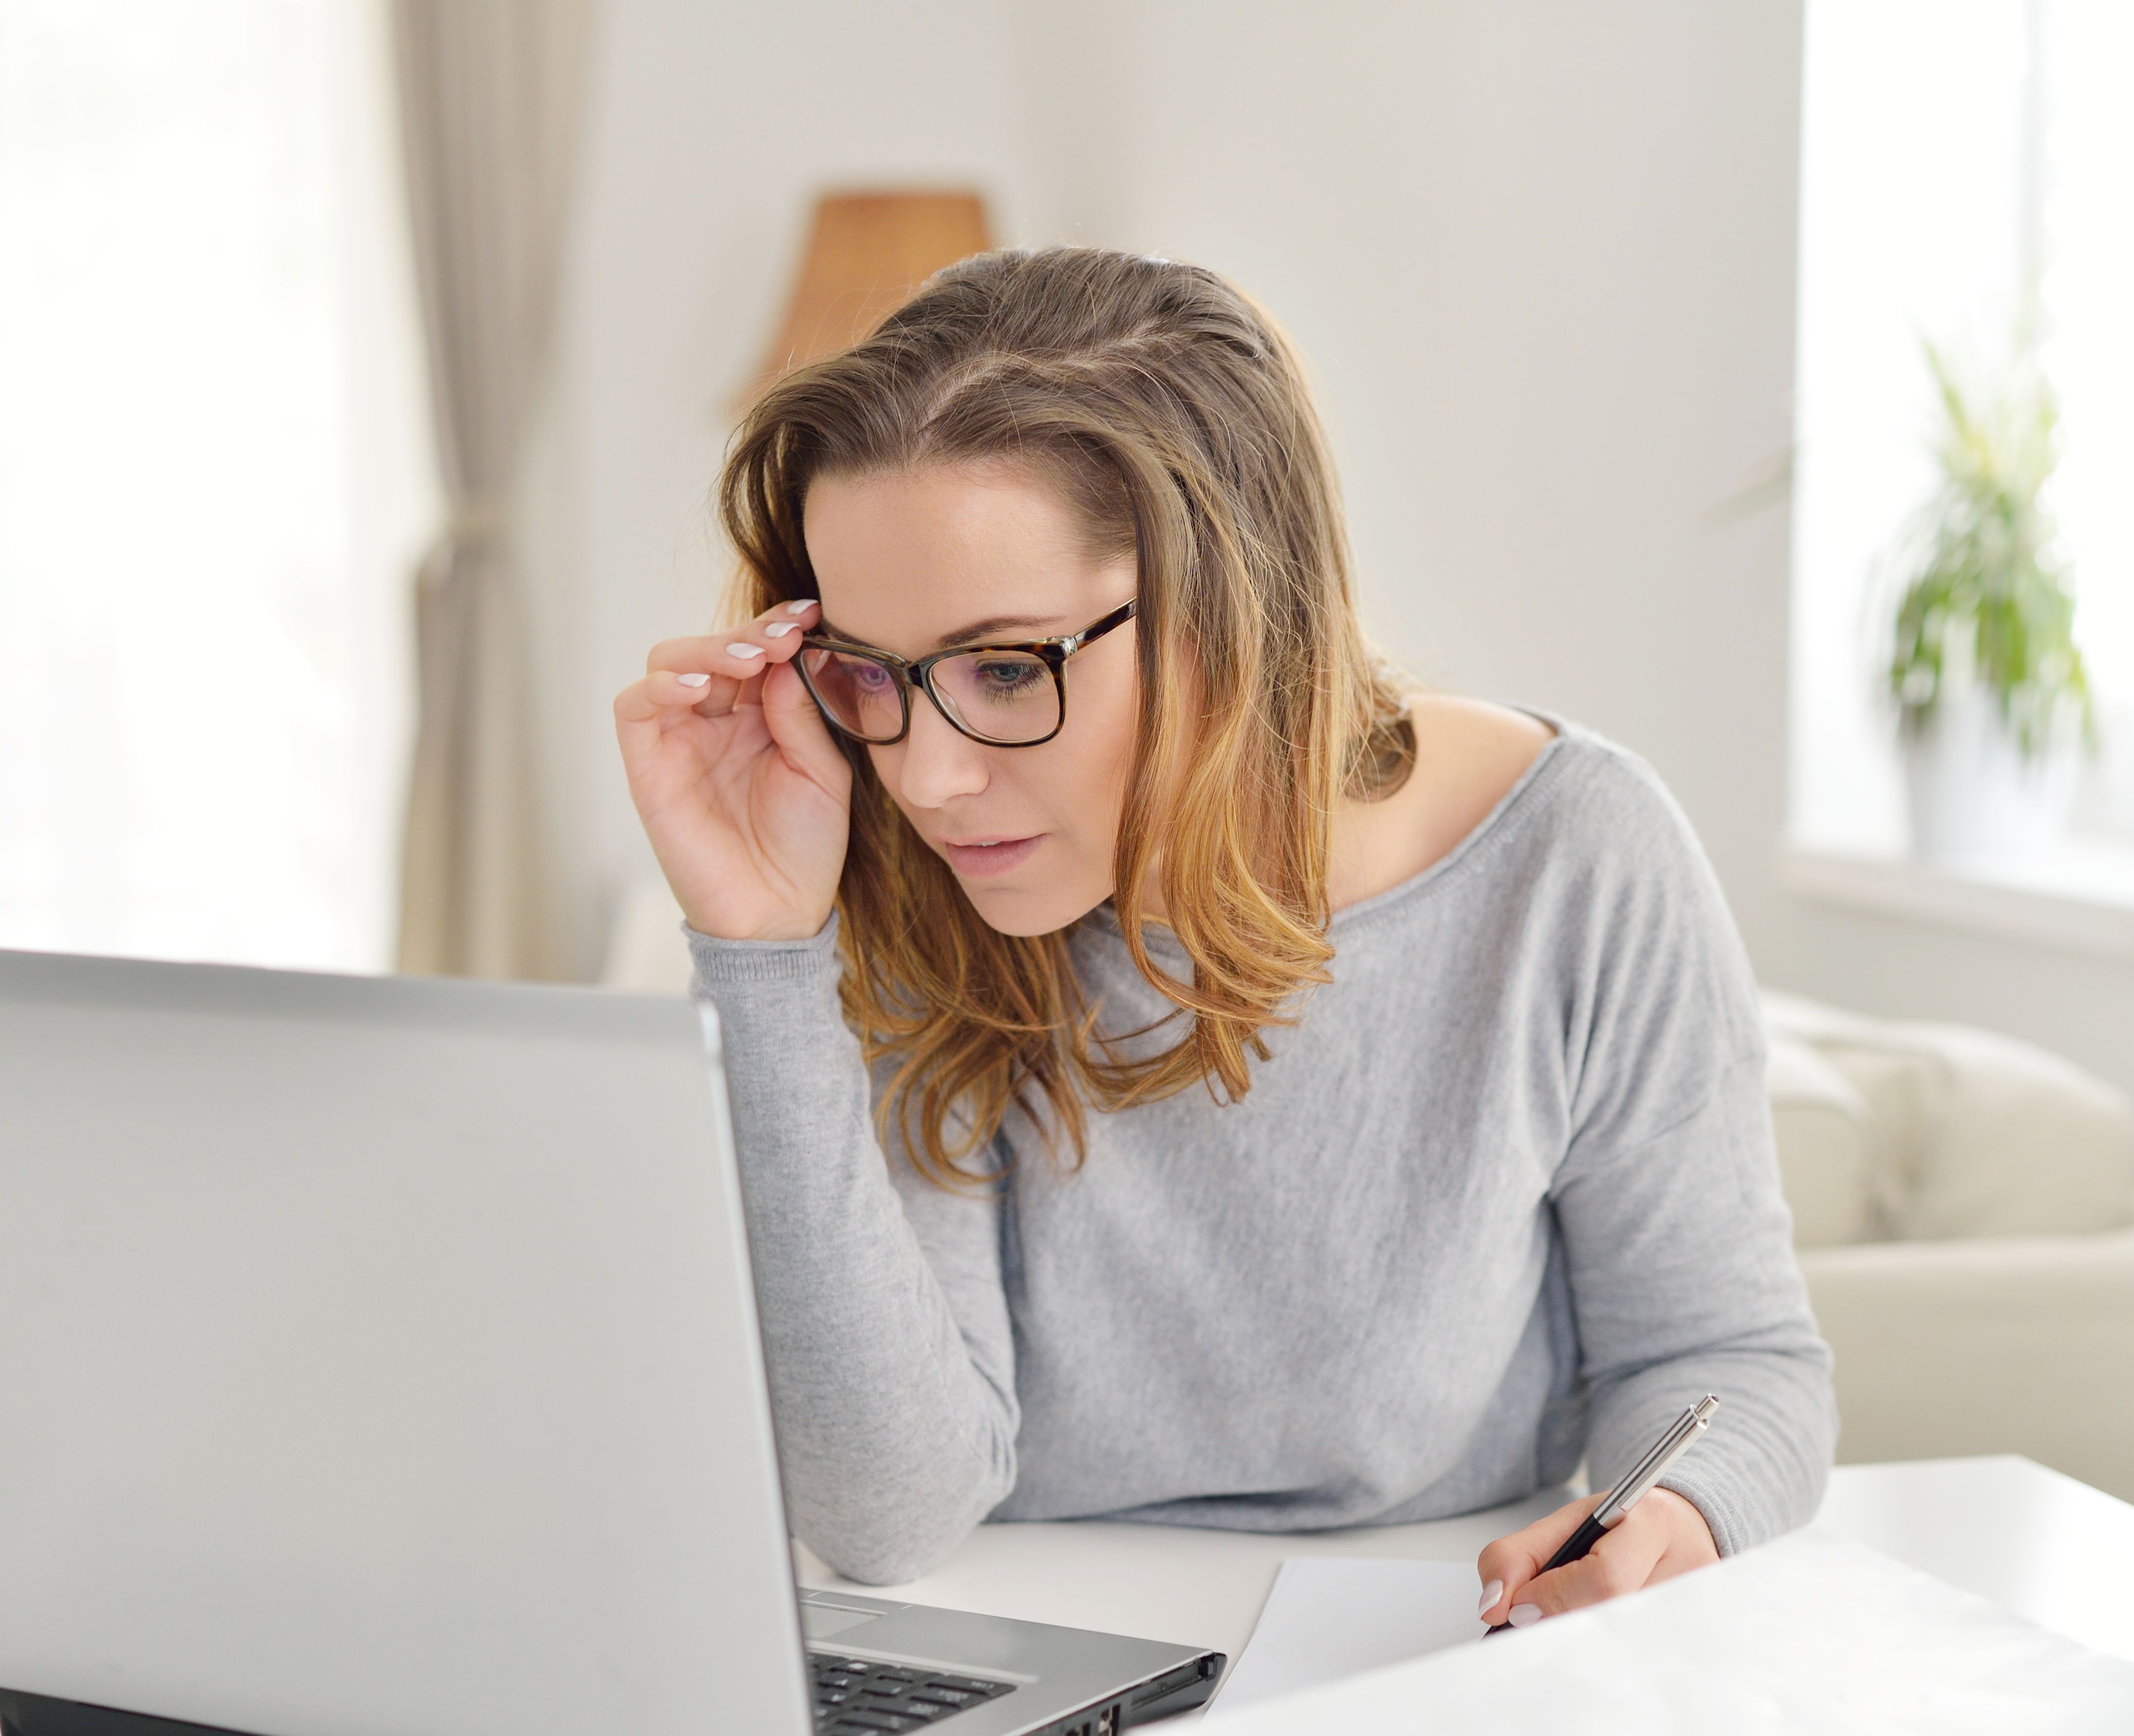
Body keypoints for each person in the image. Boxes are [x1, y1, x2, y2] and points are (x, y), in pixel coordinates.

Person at [612, 248, 1832, 1631]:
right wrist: (763, 954)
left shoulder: (1572, 861)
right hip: (1023, 1665)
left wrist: (1669, 1514)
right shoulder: (903, 873)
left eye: (1004, 670)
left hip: (1424, 1662)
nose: (925, 777)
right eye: (871, 675)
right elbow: (890, 1513)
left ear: (1232, 615)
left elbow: (1731, 1359)